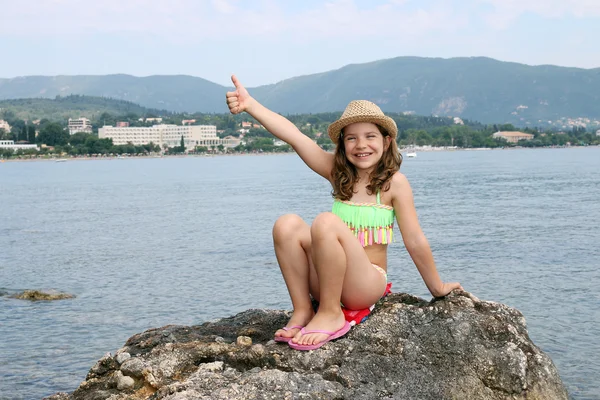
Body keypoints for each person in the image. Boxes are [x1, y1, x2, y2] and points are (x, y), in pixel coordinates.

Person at [226, 75, 463, 351]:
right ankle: (303, 309)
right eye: (352, 138)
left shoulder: (393, 184)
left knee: (326, 222)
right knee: (286, 224)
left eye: (370, 136)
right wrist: (251, 104)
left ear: (386, 142)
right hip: (329, 280)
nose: (361, 145)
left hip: (365, 284)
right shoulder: (337, 174)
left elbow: (415, 240)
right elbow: (294, 136)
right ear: (343, 145)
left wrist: (437, 287)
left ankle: (330, 313)